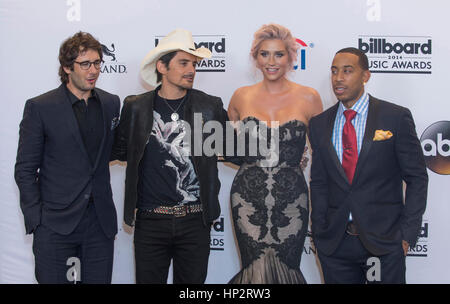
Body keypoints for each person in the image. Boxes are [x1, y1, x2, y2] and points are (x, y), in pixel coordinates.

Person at [112, 28, 227, 284]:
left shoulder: (210, 106)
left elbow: (233, 149)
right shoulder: (135, 107)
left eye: (194, 64)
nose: (192, 70)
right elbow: (118, 151)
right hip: (150, 222)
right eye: (183, 63)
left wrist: (281, 148)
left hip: (195, 221)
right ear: (162, 67)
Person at [309, 47, 428, 284]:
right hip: (335, 246)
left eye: (347, 71)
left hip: (384, 244)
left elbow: (416, 178)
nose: (338, 78)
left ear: (366, 76)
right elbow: (319, 182)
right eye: (334, 71)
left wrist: (406, 236)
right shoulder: (319, 124)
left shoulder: (395, 117)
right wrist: (320, 231)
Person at [14, 32, 120, 284]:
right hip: (55, 225)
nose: (93, 70)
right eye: (85, 64)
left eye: (97, 63)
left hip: (99, 224)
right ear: (66, 67)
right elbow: (25, 170)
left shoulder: (111, 103)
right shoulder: (41, 107)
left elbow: (112, 152)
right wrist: (37, 220)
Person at [227, 24, 323, 284]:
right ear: (255, 57)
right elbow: (231, 147)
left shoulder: (310, 98)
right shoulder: (240, 97)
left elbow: (322, 154)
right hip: (247, 198)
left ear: (291, 58)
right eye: (264, 54)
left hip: (292, 200)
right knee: (255, 270)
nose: (271, 62)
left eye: (279, 54)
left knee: (286, 269)